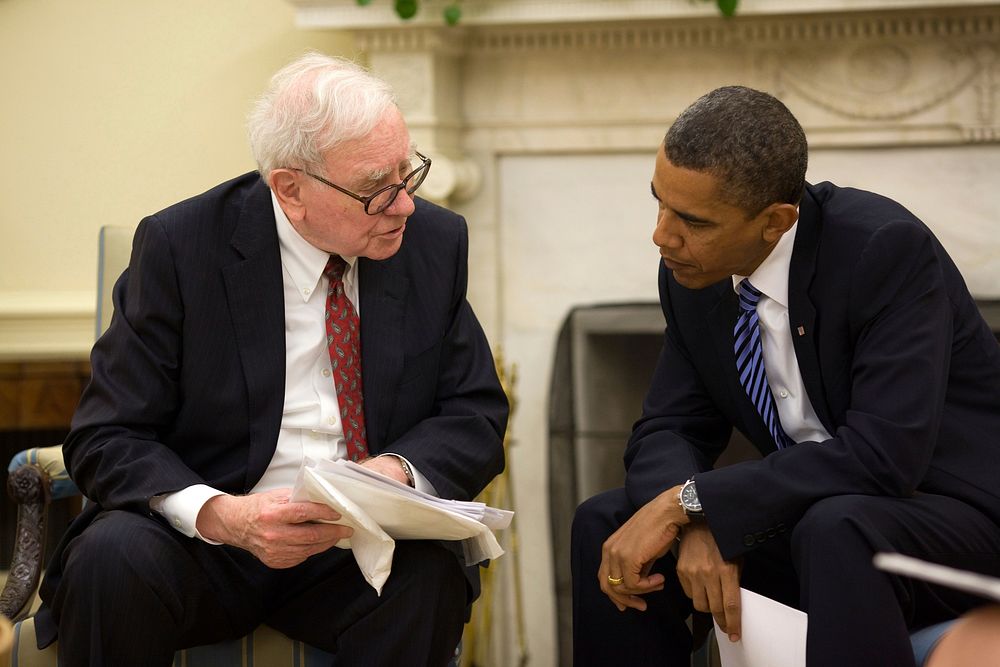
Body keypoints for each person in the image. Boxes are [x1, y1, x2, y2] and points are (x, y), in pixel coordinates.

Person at [33, 52, 509, 667]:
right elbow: (106, 435)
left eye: (407, 173)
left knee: (429, 577)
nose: (404, 206)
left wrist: (393, 474)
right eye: (375, 189)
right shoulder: (183, 248)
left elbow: (474, 413)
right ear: (290, 188)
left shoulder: (432, 244)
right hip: (205, 544)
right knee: (110, 559)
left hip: (354, 548)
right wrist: (224, 516)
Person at [571, 86, 1000, 667]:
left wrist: (695, 503)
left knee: (838, 526)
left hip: (956, 517)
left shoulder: (882, 250)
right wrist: (693, 521)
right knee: (608, 521)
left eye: (692, 220)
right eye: (660, 203)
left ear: (776, 221)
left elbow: (883, 457)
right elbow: (670, 426)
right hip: (820, 515)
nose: (662, 236)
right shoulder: (694, 271)